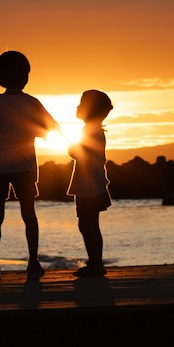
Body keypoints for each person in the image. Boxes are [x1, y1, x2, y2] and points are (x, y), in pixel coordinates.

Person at [0, 49, 55, 282]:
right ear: (25, 75)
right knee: (29, 214)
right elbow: (52, 128)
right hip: (24, 167)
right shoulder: (32, 102)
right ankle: (33, 262)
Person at [67, 89, 113, 275]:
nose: (77, 107)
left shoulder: (89, 131)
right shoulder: (95, 130)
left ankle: (95, 264)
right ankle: (96, 262)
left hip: (88, 186)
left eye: (81, 104)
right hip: (95, 183)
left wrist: (71, 149)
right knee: (92, 224)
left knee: (86, 225)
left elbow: (81, 155)